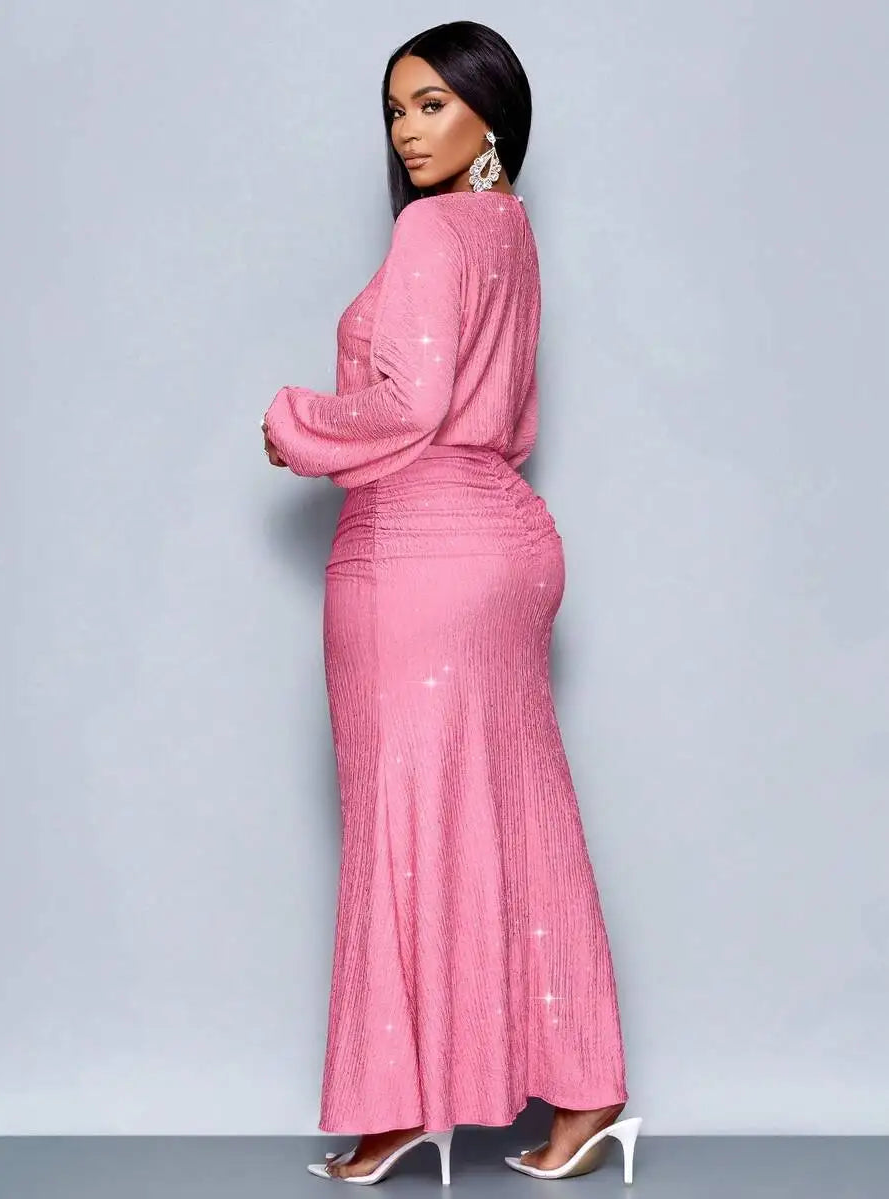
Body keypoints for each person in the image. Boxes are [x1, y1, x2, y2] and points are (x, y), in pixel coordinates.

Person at [261, 20, 642, 1188]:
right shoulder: (510, 230)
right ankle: (586, 1086)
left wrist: (294, 423)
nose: (407, 132)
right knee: (521, 811)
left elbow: (412, 402)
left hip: (418, 550)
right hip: (508, 538)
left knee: (400, 816)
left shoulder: (432, 230)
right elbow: (506, 421)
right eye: (395, 110)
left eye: (431, 104)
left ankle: (399, 1107)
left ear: (491, 113)